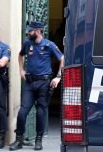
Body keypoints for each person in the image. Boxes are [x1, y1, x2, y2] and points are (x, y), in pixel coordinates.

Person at [9, 21, 64, 151]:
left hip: (44, 83)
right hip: (30, 82)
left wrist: (58, 77)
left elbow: (62, 58)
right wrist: (21, 70)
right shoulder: (28, 44)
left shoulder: (49, 45)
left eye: (31, 31)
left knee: (40, 112)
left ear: (38, 31)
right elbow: (20, 55)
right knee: (22, 112)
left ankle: (38, 140)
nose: (28, 32)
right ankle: (19, 140)